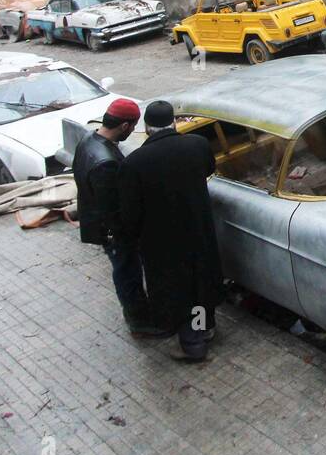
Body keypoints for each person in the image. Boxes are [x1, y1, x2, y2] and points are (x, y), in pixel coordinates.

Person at [119, 100, 223, 361]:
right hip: (198, 230)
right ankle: (205, 328)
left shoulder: (135, 163)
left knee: (178, 290)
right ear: (174, 122)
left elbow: (131, 210)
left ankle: (193, 345)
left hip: (162, 241)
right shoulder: (197, 145)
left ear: (146, 127)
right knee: (200, 282)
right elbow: (209, 169)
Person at [73, 98, 163, 335]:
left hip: (98, 225)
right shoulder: (106, 164)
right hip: (113, 234)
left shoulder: (87, 141)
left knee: (125, 272)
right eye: (132, 127)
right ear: (124, 126)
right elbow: (113, 210)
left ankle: (137, 313)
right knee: (128, 275)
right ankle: (140, 322)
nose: (133, 131)